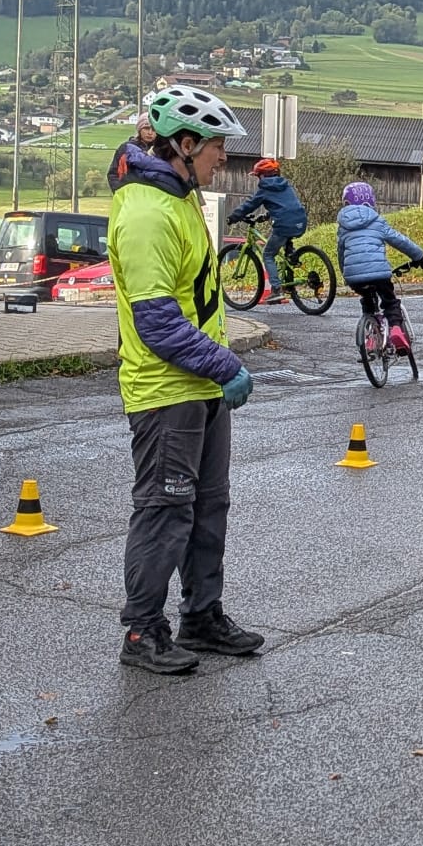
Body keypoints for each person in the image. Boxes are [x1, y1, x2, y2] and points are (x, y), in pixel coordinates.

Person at [109, 86, 263, 674]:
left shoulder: (179, 198)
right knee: (164, 511)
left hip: (200, 387)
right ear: (186, 143)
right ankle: (142, 632)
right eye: (218, 145)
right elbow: (157, 322)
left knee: (207, 507)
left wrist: (217, 371)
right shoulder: (148, 213)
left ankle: (201, 617)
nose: (224, 156)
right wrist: (226, 365)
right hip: (165, 390)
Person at [336, 181, 423, 352]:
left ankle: (371, 335)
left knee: (368, 303)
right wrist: (418, 255)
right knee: (390, 302)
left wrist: (345, 274)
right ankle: (396, 330)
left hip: (354, 276)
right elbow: (399, 240)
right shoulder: (377, 221)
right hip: (379, 275)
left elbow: (341, 253)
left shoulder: (343, 227)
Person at [228, 157, 309, 302]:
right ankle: (290, 272)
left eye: (258, 176)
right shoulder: (286, 185)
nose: (258, 179)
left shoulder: (264, 189)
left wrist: (234, 217)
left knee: (268, 254)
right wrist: (267, 216)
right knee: (287, 250)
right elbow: (286, 206)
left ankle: (276, 290)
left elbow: (249, 205)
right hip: (300, 221)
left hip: (283, 225)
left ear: (263, 175)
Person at [106, 119, 159, 192]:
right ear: (139, 130)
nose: (150, 133)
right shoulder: (126, 148)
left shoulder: (161, 150)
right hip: (128, 193)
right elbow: (113, 174)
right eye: (146, 128)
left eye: (154, 129)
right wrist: (120, 191)